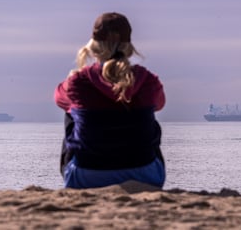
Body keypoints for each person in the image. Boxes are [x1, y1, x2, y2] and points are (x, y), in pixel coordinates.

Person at [54, 12, 166, 189]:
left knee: (71, 112)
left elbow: (59, 99)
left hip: (86, 176)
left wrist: (72, 81)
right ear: (129, 46)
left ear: (94, 45)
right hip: (146, 175)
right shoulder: (148, 80)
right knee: (148, 113)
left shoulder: (78, 81)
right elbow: (160, 104)